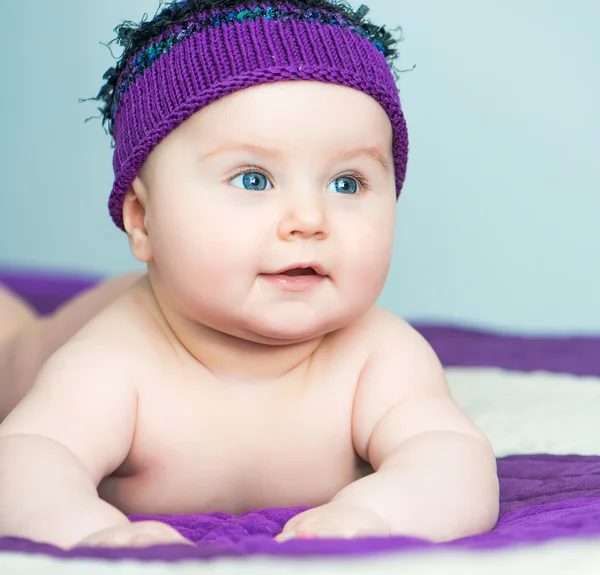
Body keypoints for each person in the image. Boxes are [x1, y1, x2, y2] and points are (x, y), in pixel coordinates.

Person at [0, 0, 499, 549]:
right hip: (50, 341)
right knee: (14, 342)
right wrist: (88, 530)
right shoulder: (114, 357)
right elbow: (27, 458)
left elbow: (454, 458)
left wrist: (379, 513)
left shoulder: (379, 355)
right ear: (142, 220)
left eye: (347, 183)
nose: (309, 220)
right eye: (254, 180)